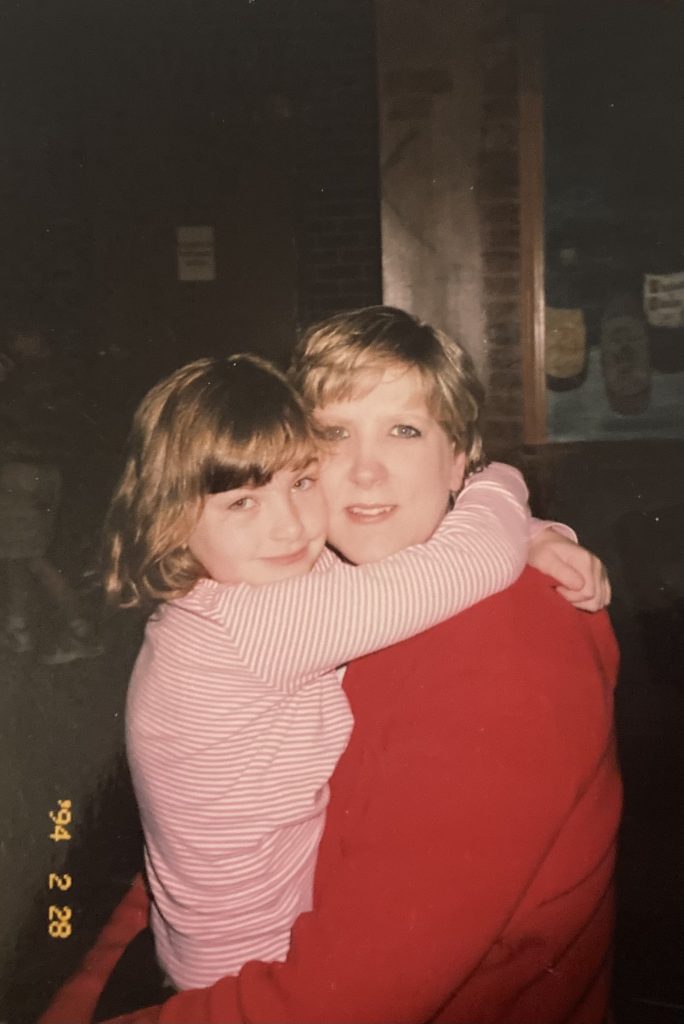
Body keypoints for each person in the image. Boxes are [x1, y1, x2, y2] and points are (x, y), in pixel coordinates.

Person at [40, 307, 618, 1024]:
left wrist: (516, 525)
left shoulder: (502, 658)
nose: (365, 468)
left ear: (459, 454)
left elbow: (351, 996)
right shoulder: (294, 588)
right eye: (333, 434)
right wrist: (509, 500)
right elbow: (177, 849)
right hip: (233, 971)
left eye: (404, 430)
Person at [100, 349, 549, 992]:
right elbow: (470, 561)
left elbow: (431, 553)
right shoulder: (255, 624)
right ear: (169, 518)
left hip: (200, 949)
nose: (289, 524)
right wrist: (495, 476)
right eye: (241, 503)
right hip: (248, 972)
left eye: (301, 482)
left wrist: (536, 533)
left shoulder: (234, 587)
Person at [0, 322, 103, 664]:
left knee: (32, 558)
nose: (13, 339)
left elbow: (15, 426)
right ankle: (18, 629)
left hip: (20, 472)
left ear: (36, 338)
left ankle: (81, 630)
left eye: (20, 334)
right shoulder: (51, 377)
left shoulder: (26, 380)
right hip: (42, 473)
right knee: (17, 553)